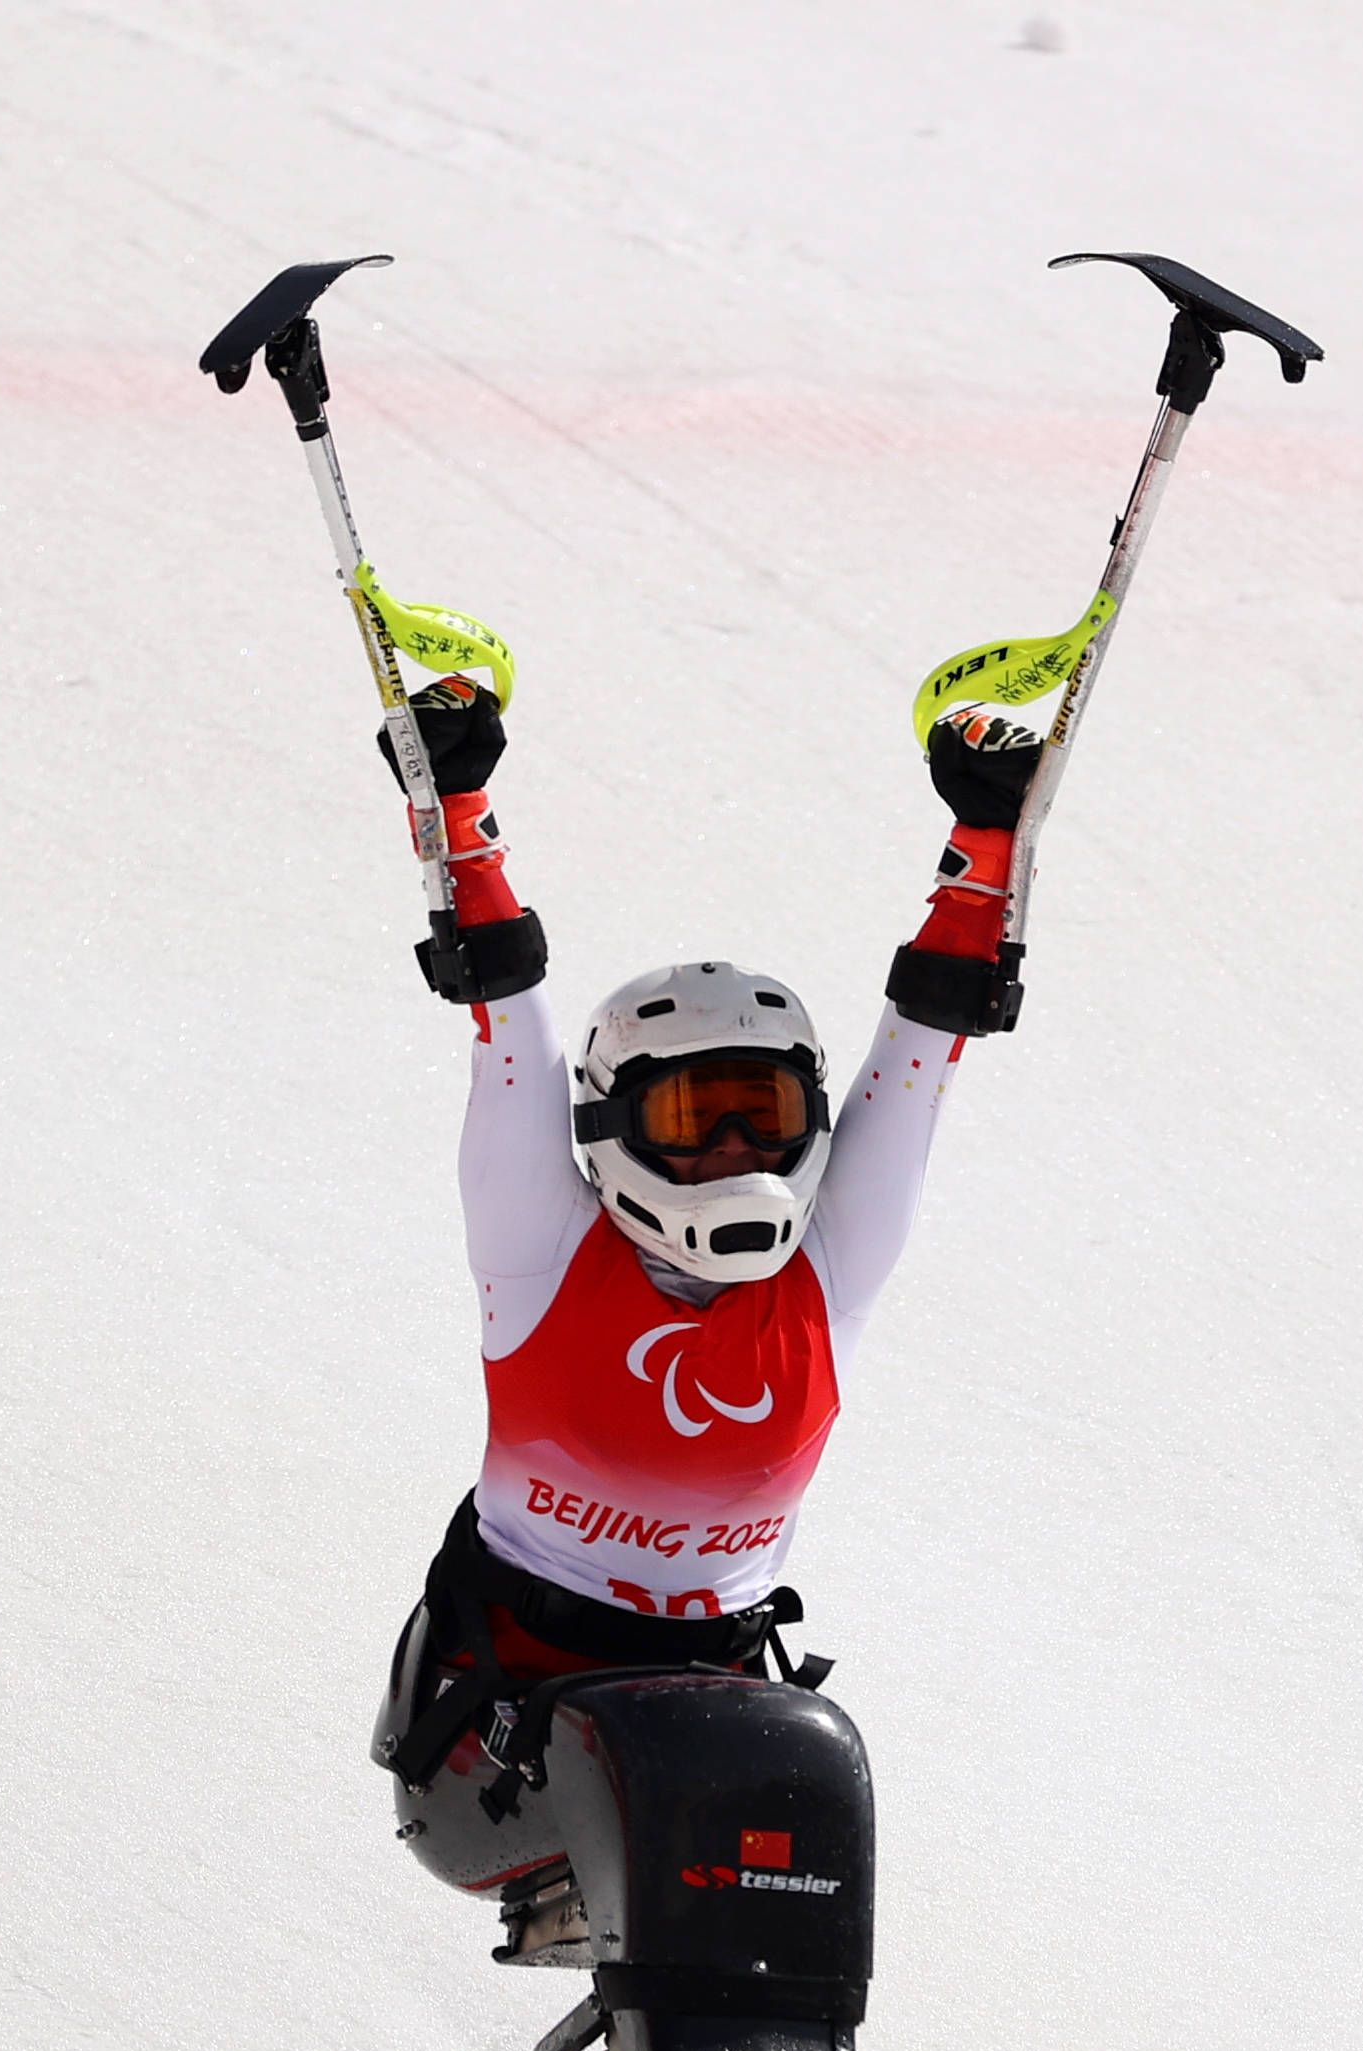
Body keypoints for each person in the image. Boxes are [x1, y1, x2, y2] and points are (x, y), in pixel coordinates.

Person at [367, 674, 1037, 1870]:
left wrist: (986, 839)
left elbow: (926, 1044)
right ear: (611, 1128)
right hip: (495, 1742)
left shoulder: (827, 1271)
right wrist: (455, 802)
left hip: (711, 1725)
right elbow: (501, 1004)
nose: (734, 1153)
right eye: (692, 1118)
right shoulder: (541, 1250)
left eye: (763, 1116)